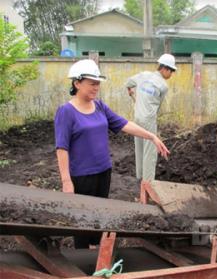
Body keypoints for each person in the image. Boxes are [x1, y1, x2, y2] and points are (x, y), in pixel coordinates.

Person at [54, 59, 169, 248]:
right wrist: (66, 181)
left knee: (99, 215)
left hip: (103, 172)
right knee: (82, 220)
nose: (96, 87)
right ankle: (83, 261)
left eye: (98, 83)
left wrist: (151, 136)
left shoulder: (99, 106)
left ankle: (97, 254)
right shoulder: (66, 112)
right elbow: (62, 148)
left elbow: (124, 124)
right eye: (92, 84)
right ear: (77, 83)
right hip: (82, 177)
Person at [125, 54, 176, 187]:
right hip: (148, 120)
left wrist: (130, 91)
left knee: (139, 150)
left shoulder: (143, 75)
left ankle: (139, 178)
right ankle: (148, 184)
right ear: (165, 68)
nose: (171, 74)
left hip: (137, 119)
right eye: (171, 71)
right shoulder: (163, 86)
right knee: (150, 153)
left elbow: (128, 83)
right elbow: (157, 107)